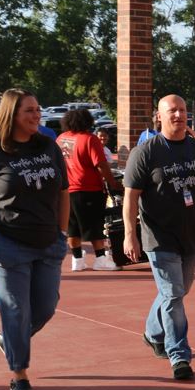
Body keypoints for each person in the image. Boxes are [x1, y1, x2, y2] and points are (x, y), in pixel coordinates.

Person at [0, 88, 70, 390]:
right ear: (12, 115)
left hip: (48, 241)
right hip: (6, 242)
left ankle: (9, 339)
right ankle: (19, 373)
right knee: (16, 309)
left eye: (38, 109)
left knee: (46, 307)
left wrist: (62, 233)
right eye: (29, 111)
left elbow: (63, 191)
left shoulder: (48, 146)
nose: (37, 115)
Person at [123, 94, 195, 380]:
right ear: (159, 116)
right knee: (172, 294)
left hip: (190, 234)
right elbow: (130, 197)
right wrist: (129, 234)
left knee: (177, 291)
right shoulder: (146, 152)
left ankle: (152, 331)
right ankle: (179, 355)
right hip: (157, 236)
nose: (178, 115)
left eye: (182, 110)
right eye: (172, 111)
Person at [57, 108, 122, 271]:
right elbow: (101, 165)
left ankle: (77, 260)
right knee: (95, 225)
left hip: (67, 189)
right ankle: (100, 259)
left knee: (72, 227)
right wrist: (113, 183)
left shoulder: (61, 139)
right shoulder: (89, 139)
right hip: (88, 188)